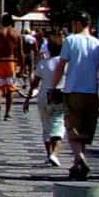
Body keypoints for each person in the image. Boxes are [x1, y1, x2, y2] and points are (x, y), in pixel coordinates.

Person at [51, 13, 99, 181]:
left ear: (79, 23)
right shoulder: (97, 43)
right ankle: (76, 165)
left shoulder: (71, 40)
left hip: (73, 90)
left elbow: (61, 65)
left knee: (72, 128)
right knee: (85, 131)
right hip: (92, 92)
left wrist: (52, 86)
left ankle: (81, 159)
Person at [0, 13, 24, 120]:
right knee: (11, 89)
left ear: (2, 22)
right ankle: (7, 113)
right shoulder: (16, 34)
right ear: (12, 22)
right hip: (11, 62)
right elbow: (21, 52)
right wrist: (22, 68)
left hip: (0, 61)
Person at [40, 32, 67, 167]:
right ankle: (54, 154)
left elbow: (34, 82)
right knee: (58, 124)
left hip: (43, 96)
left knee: (46, 126)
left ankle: (48, 154)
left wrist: (27, 99)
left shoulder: (43, 63)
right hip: (60, 95)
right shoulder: (66, 64)